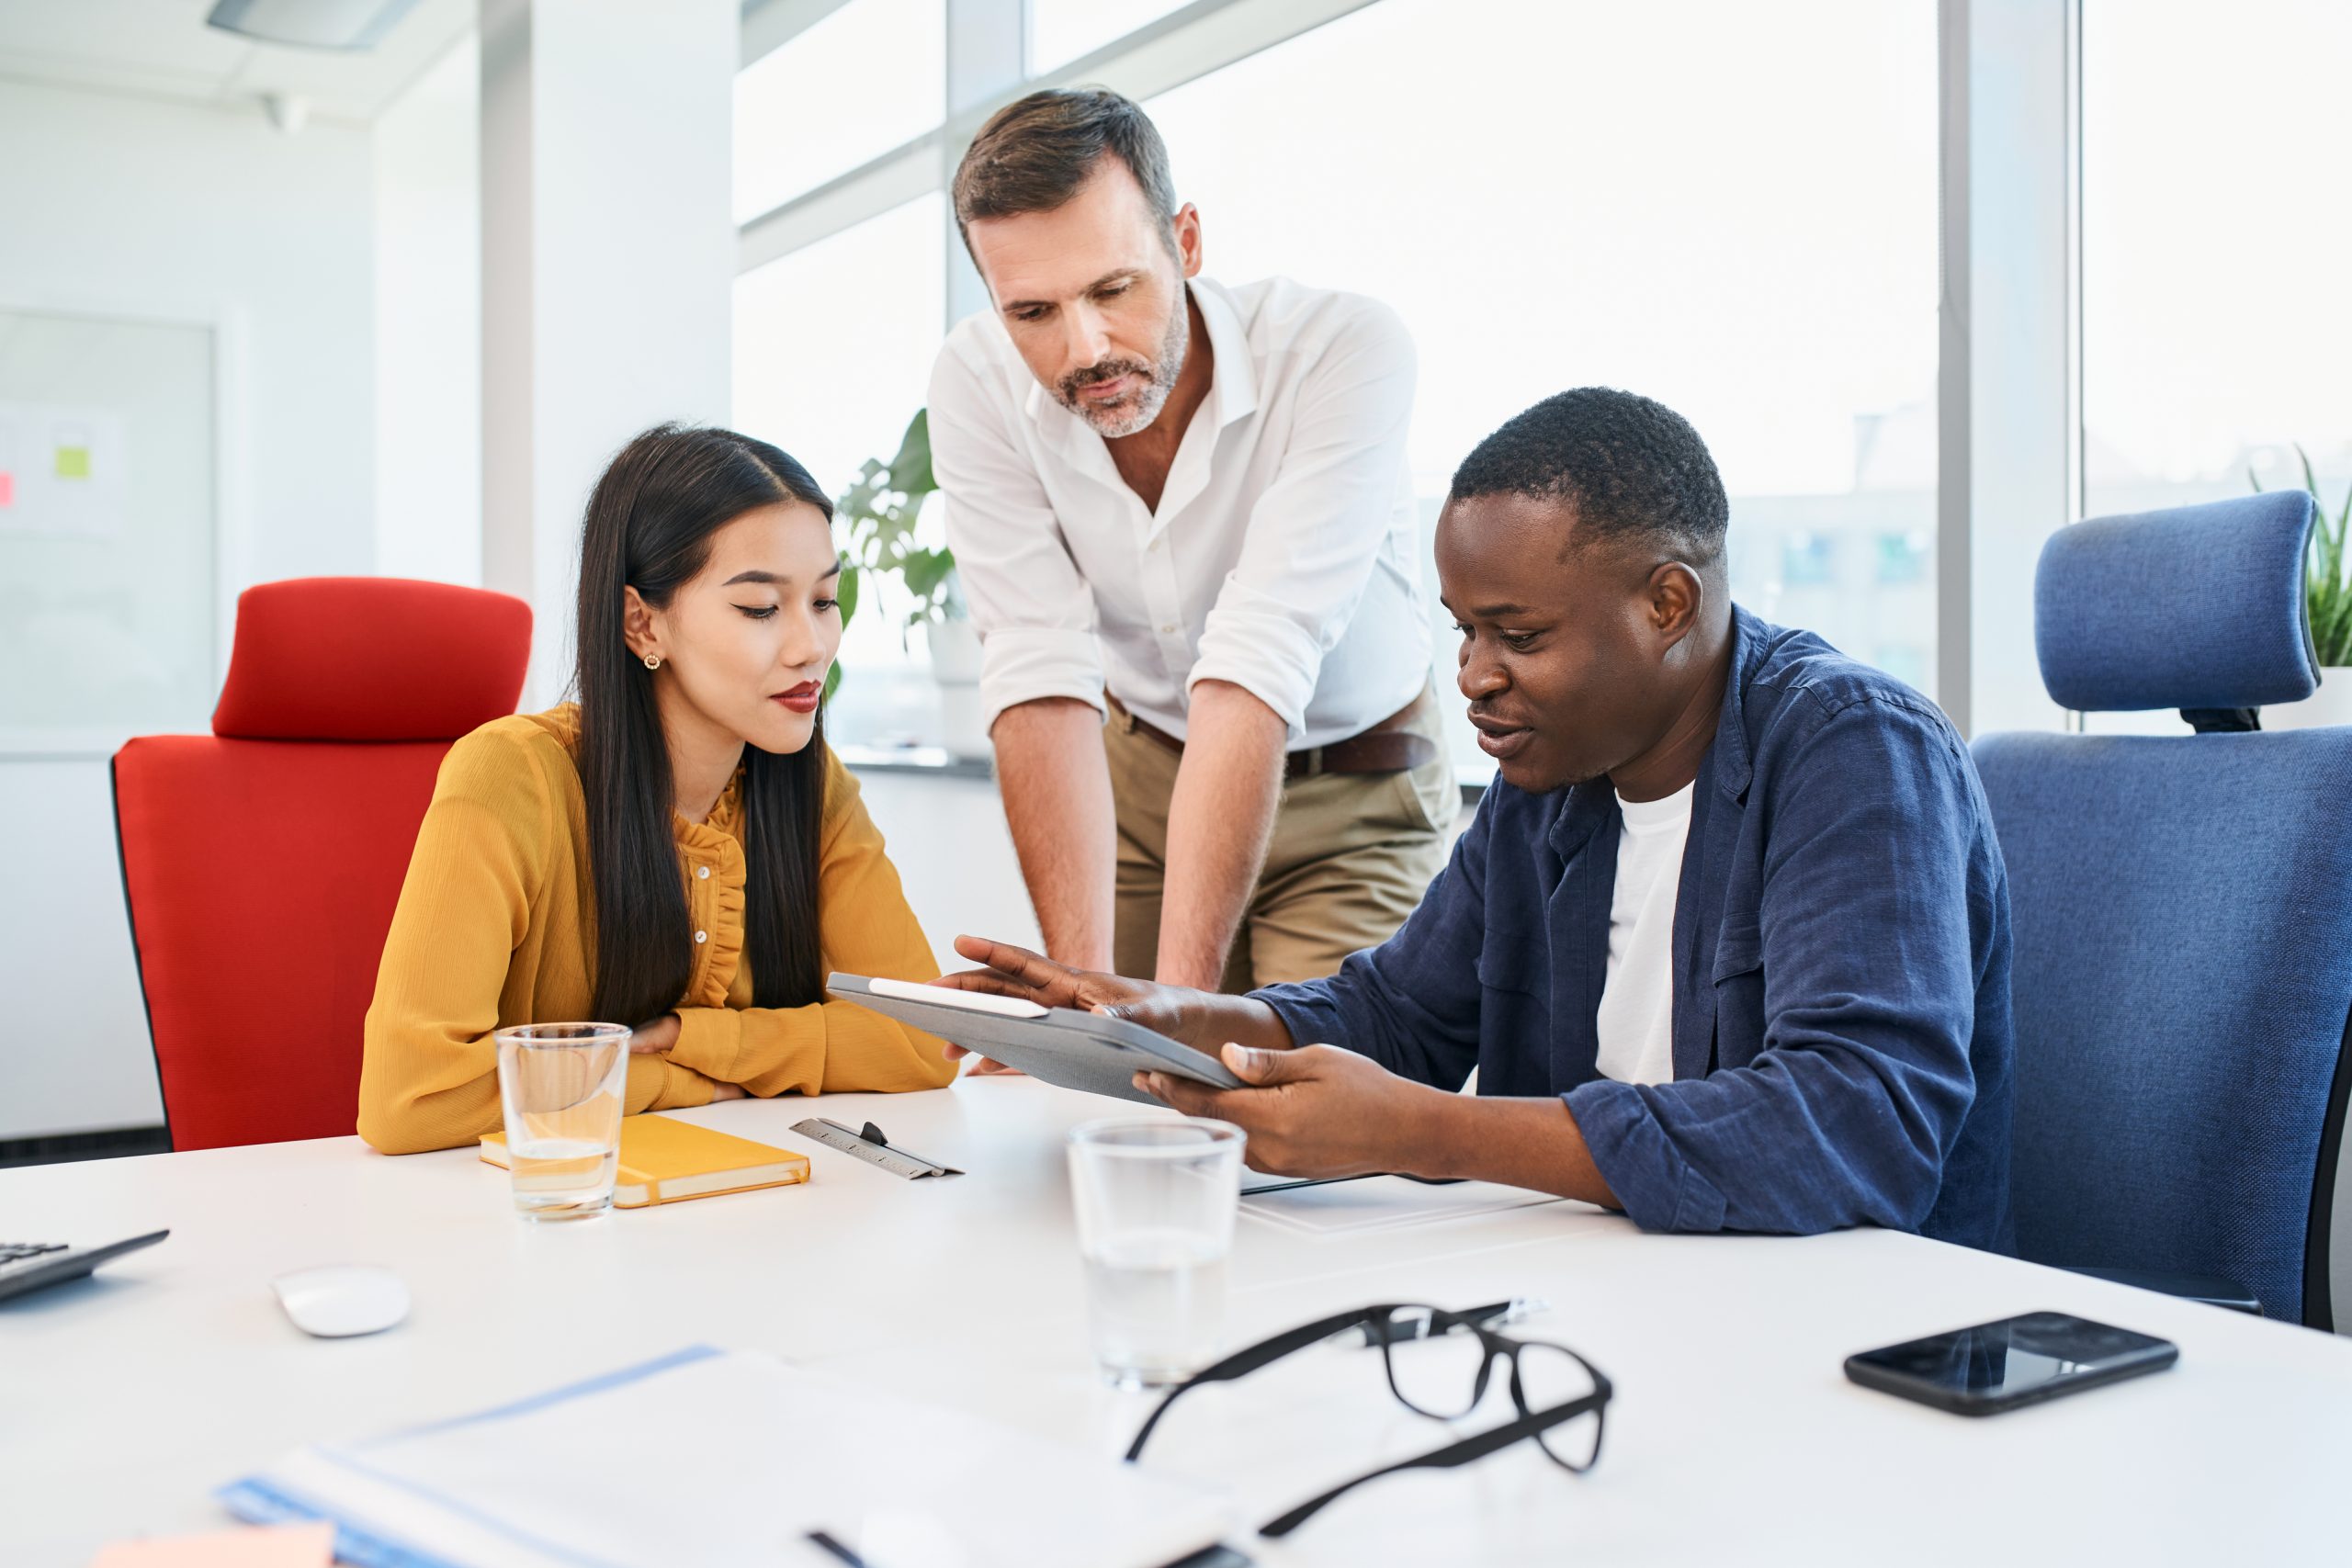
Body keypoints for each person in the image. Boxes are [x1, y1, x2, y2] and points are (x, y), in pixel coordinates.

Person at [944, 388, 2016, 1247]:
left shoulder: (1854, 748)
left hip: (1832, 1320)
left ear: (1668, 604)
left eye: (1517, 634)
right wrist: (1163, 1019)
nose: (1473, 677)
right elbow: (1399, 1013)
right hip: (1603, 1286)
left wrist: (1428, 1129)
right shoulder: (1553, 778)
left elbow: (1856, 1123)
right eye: (1463, 632)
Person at [929, 87, 1454, 998]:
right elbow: (1036, 668)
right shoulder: (974, 383)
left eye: (1112, 289)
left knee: (1300, 1111)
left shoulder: (1341, 351)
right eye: (1032, 313)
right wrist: (1089, 1004)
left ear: (1188, 242)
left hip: (1352, 795)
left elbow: (1259, 657)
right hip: (1142, 781)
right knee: (1117, 1089)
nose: (1082, 349)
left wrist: (1173, 1016)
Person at [358, 425, 956, 1154]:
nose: (813, 647)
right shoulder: (512, 775)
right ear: (643, 622)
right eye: (761, 608)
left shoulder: (812, 784)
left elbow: (928, 1041)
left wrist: (704, 1038)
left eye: (825, 600)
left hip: (744, 1221)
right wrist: (688, 1082)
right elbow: (414, 1100)